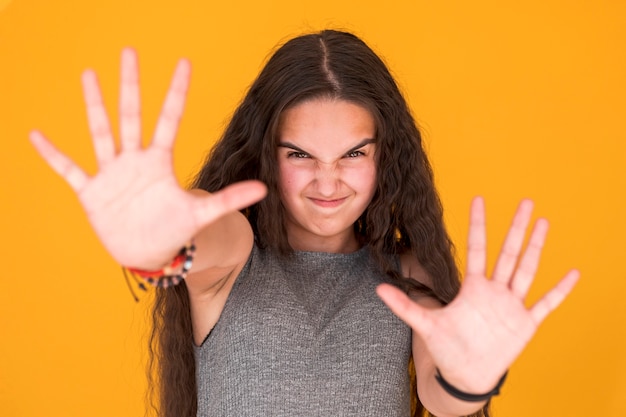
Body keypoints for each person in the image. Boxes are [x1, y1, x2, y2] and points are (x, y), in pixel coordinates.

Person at [30, 30, 579, 417]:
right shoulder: (235, 254)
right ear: (267, 154)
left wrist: (470, 378)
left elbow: (441, 393)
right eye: (300, 156)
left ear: (386, 157)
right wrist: (158, 236)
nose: (328, 182)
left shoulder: (409, 275)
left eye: (353, 155)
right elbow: (201, 235)